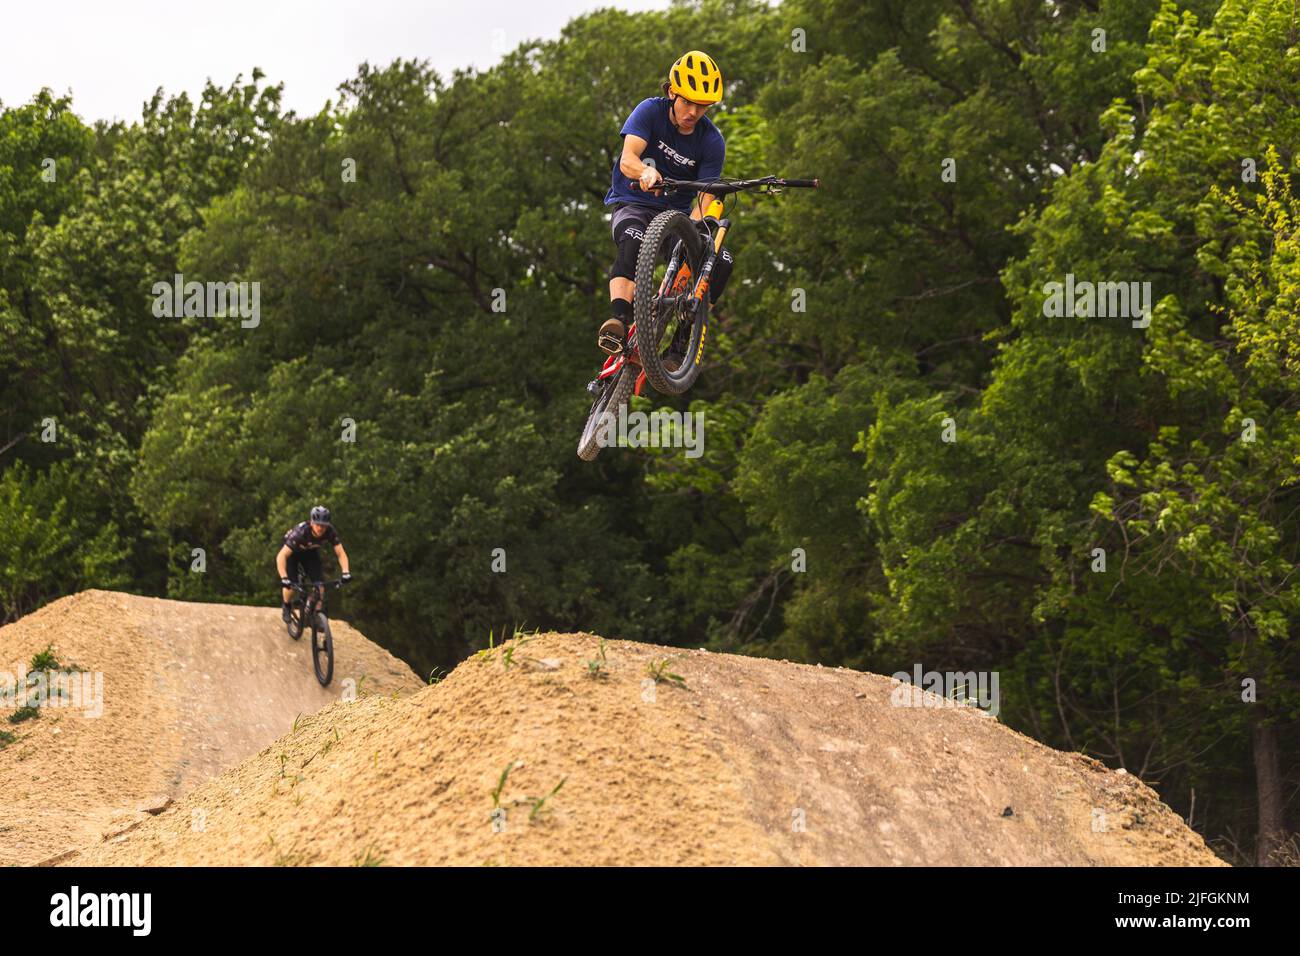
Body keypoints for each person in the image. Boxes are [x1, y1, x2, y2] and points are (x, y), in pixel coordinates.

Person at [598, 49, 734, 357]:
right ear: (672, 92)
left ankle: (682, 341)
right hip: (633, 202)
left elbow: (704, 197)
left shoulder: (712, 141)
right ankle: (618, 319)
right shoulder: (649, 111)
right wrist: (645, 170)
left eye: (702, 106)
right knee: (632, 239)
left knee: (720, 260)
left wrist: (699, 233)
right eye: (687, 102)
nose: (693, 112)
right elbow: (628, 158)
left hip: (676, 215)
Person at [276, 505, 351, 622]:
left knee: (320, 586)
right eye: (318, 524)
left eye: (324, 525)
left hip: (310, 553)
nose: (321, 528)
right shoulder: (300, 533)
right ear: (311, 523)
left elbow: (341, 553)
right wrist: (284, 578)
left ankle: (316, 615)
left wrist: (346, 572)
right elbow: (281, 556)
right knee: (291, 586)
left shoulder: (330, 531)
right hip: (292, 554)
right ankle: (286, 606)